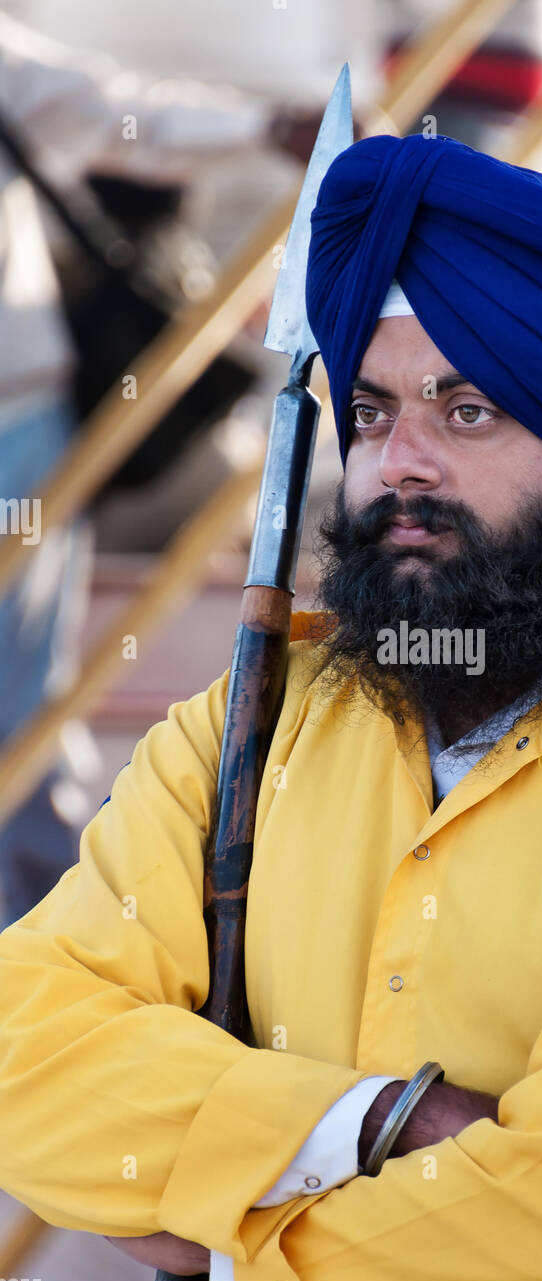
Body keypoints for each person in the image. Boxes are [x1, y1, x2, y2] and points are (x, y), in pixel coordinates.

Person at [1, 132, 542, 1281]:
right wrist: (365, 1123)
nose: (397, 464)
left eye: (464, 414)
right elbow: (24, 1047)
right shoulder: (250, 728)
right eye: (366, 412)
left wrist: (215, 1233)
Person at [0, 11, 325, 928]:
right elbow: (109, 111)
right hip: (19, 408)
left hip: (12, 418)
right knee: (20, 707)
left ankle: (37, 946)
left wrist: (262, 128)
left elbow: (111, 112)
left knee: (18, 705)